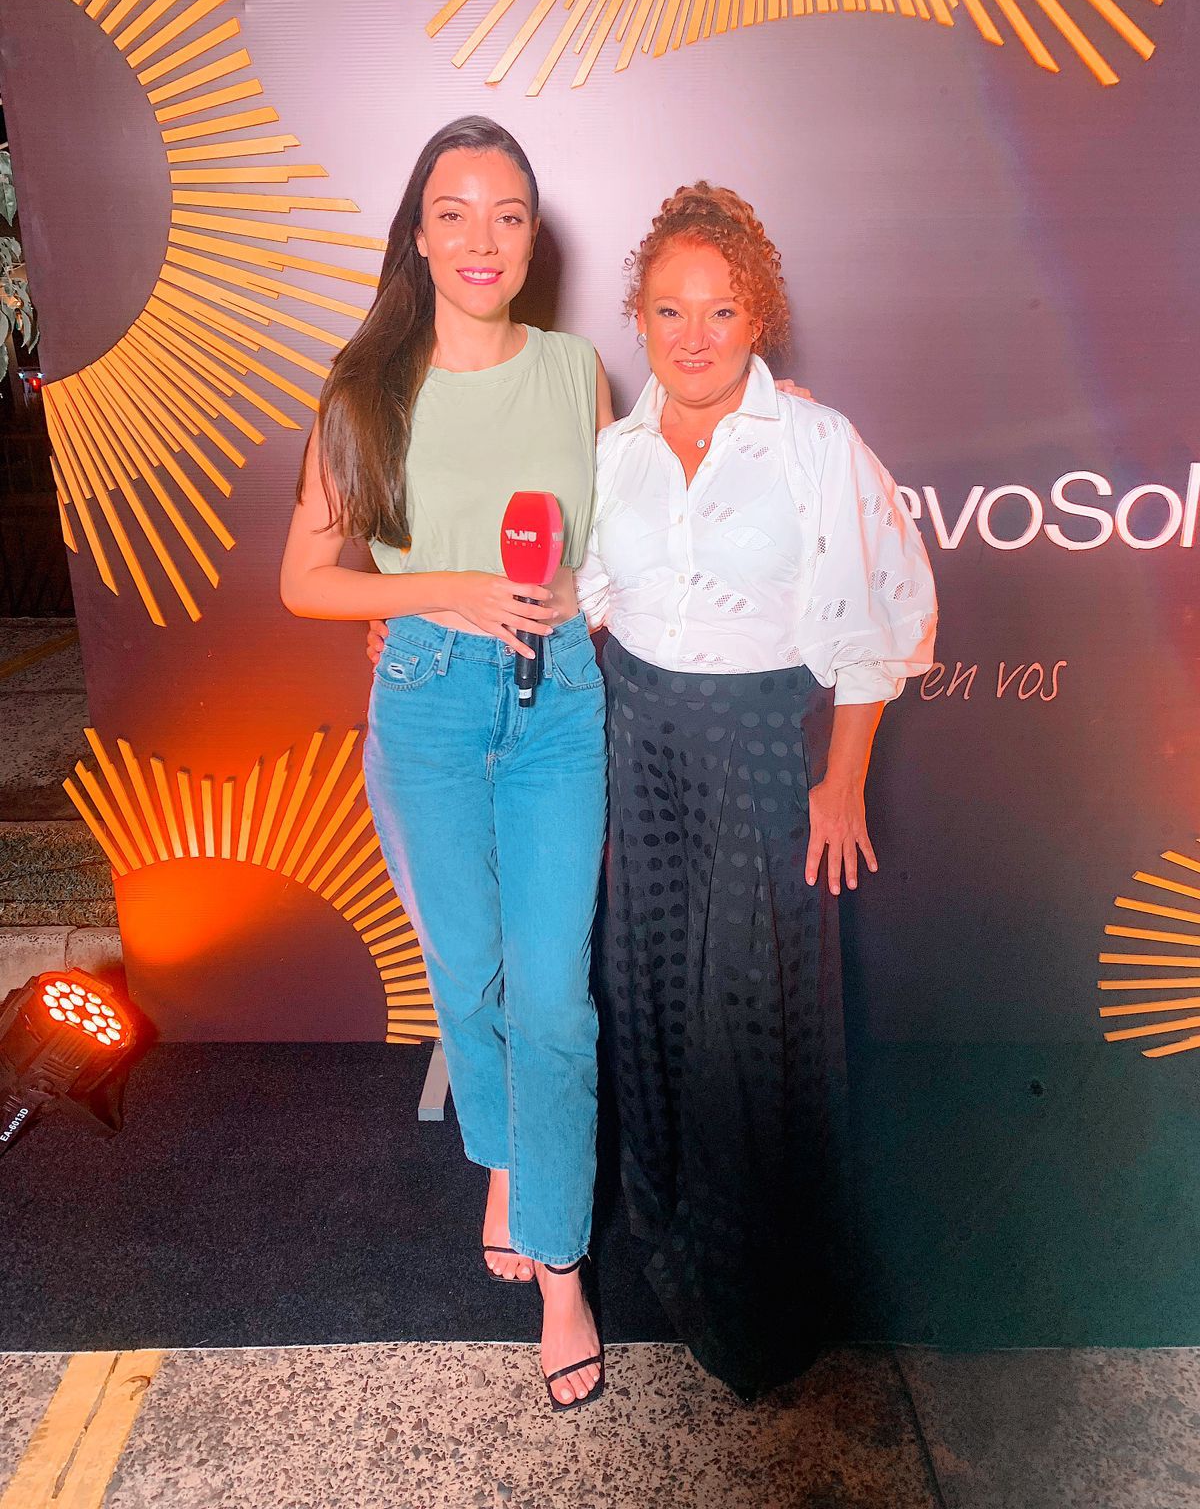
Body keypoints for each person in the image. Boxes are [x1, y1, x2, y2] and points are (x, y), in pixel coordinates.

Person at [574, 183, 937, 1398]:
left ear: (757, 316)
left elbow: (885, 612)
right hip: (640, 745)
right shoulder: (612, 457)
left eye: (721, 309)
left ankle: (760, 1287)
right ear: (638, 315)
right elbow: (577, 605)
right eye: (671, 309)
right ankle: (671, 1226)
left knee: (749, 1011)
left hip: (762, 751)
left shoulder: (816, 445)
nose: (695, 334)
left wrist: (841, 779)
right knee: (650, 992)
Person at [281, 116, 610, 1412]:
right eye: (456, 212)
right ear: (417, 234)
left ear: (533, 237)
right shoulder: (366, 387)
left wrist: (581, 595)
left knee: (555, 1000)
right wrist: (446, 590)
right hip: (426, 702)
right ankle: (508, 1158)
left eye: (508, 214)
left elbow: (621, 547)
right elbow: (307, 579)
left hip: (560, 704)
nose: (484, 239)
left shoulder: (577, 370)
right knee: (467, 981)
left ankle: (564, 1269)